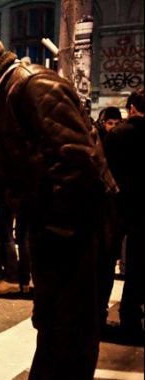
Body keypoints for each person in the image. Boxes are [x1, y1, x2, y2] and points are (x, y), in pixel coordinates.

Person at [0, 29, 118, 378]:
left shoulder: (33, 86)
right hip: (53, 230)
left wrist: (52, 227)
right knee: (52, 325)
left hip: (77, 232)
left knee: (72, 332)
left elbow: (79, 164)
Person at [104, 88, 145, 341]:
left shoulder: (118, 134)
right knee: (139, 264)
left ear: (131, 109)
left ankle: (99, 314)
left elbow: (102, 167)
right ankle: (131, 318)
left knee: (106, 261)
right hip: (144, 208)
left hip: (116, 205)